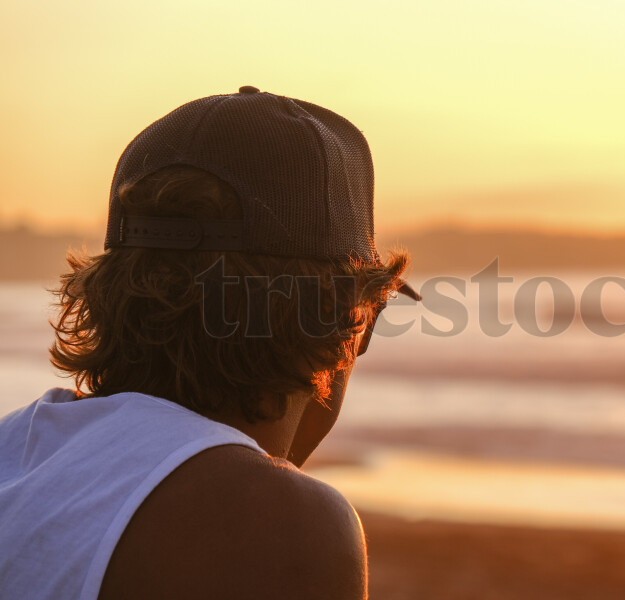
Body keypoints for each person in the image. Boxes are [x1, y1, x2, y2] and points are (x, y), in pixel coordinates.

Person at [0, 86, 420, 599]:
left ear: (108, 294)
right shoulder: (284, 523)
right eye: (371, 316)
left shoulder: (13, 452)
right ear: (342, 322)